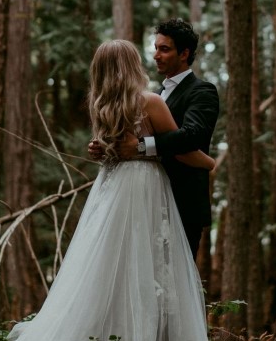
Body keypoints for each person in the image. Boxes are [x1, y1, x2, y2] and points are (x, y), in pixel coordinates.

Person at [0, 39, 219, 341]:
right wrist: (209, 163)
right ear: (131, 63)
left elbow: (109, 147)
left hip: (112, 188)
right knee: (149, 268)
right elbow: (182, 150)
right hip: (144, 189)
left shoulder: (100, 103)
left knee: (110, 268)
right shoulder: (149, 101)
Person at [90, 18, 219, 259]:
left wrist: (140, 146)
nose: (156, 55)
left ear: (184, 54)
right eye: (155, 48)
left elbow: (191, 136)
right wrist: (105, 147)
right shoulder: (151, 96)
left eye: (164, 49)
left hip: (182, 200)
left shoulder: (202, 91)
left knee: (177, 279)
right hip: (143, 198)